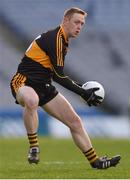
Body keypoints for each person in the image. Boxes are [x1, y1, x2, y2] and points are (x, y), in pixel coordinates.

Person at [10, 7, 121, 169]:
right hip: (24, 82)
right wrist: (83, 92)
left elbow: (55, 75)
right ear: (65, 21)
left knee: (75, 122)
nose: (79, 27)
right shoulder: (55, 38)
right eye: (76, 22)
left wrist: (82, 90)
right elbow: (61, 77)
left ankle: (96, 161)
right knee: (32, 100)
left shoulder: (63, 41)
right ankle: (34, 147)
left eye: (82, 24)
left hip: (45, 85)